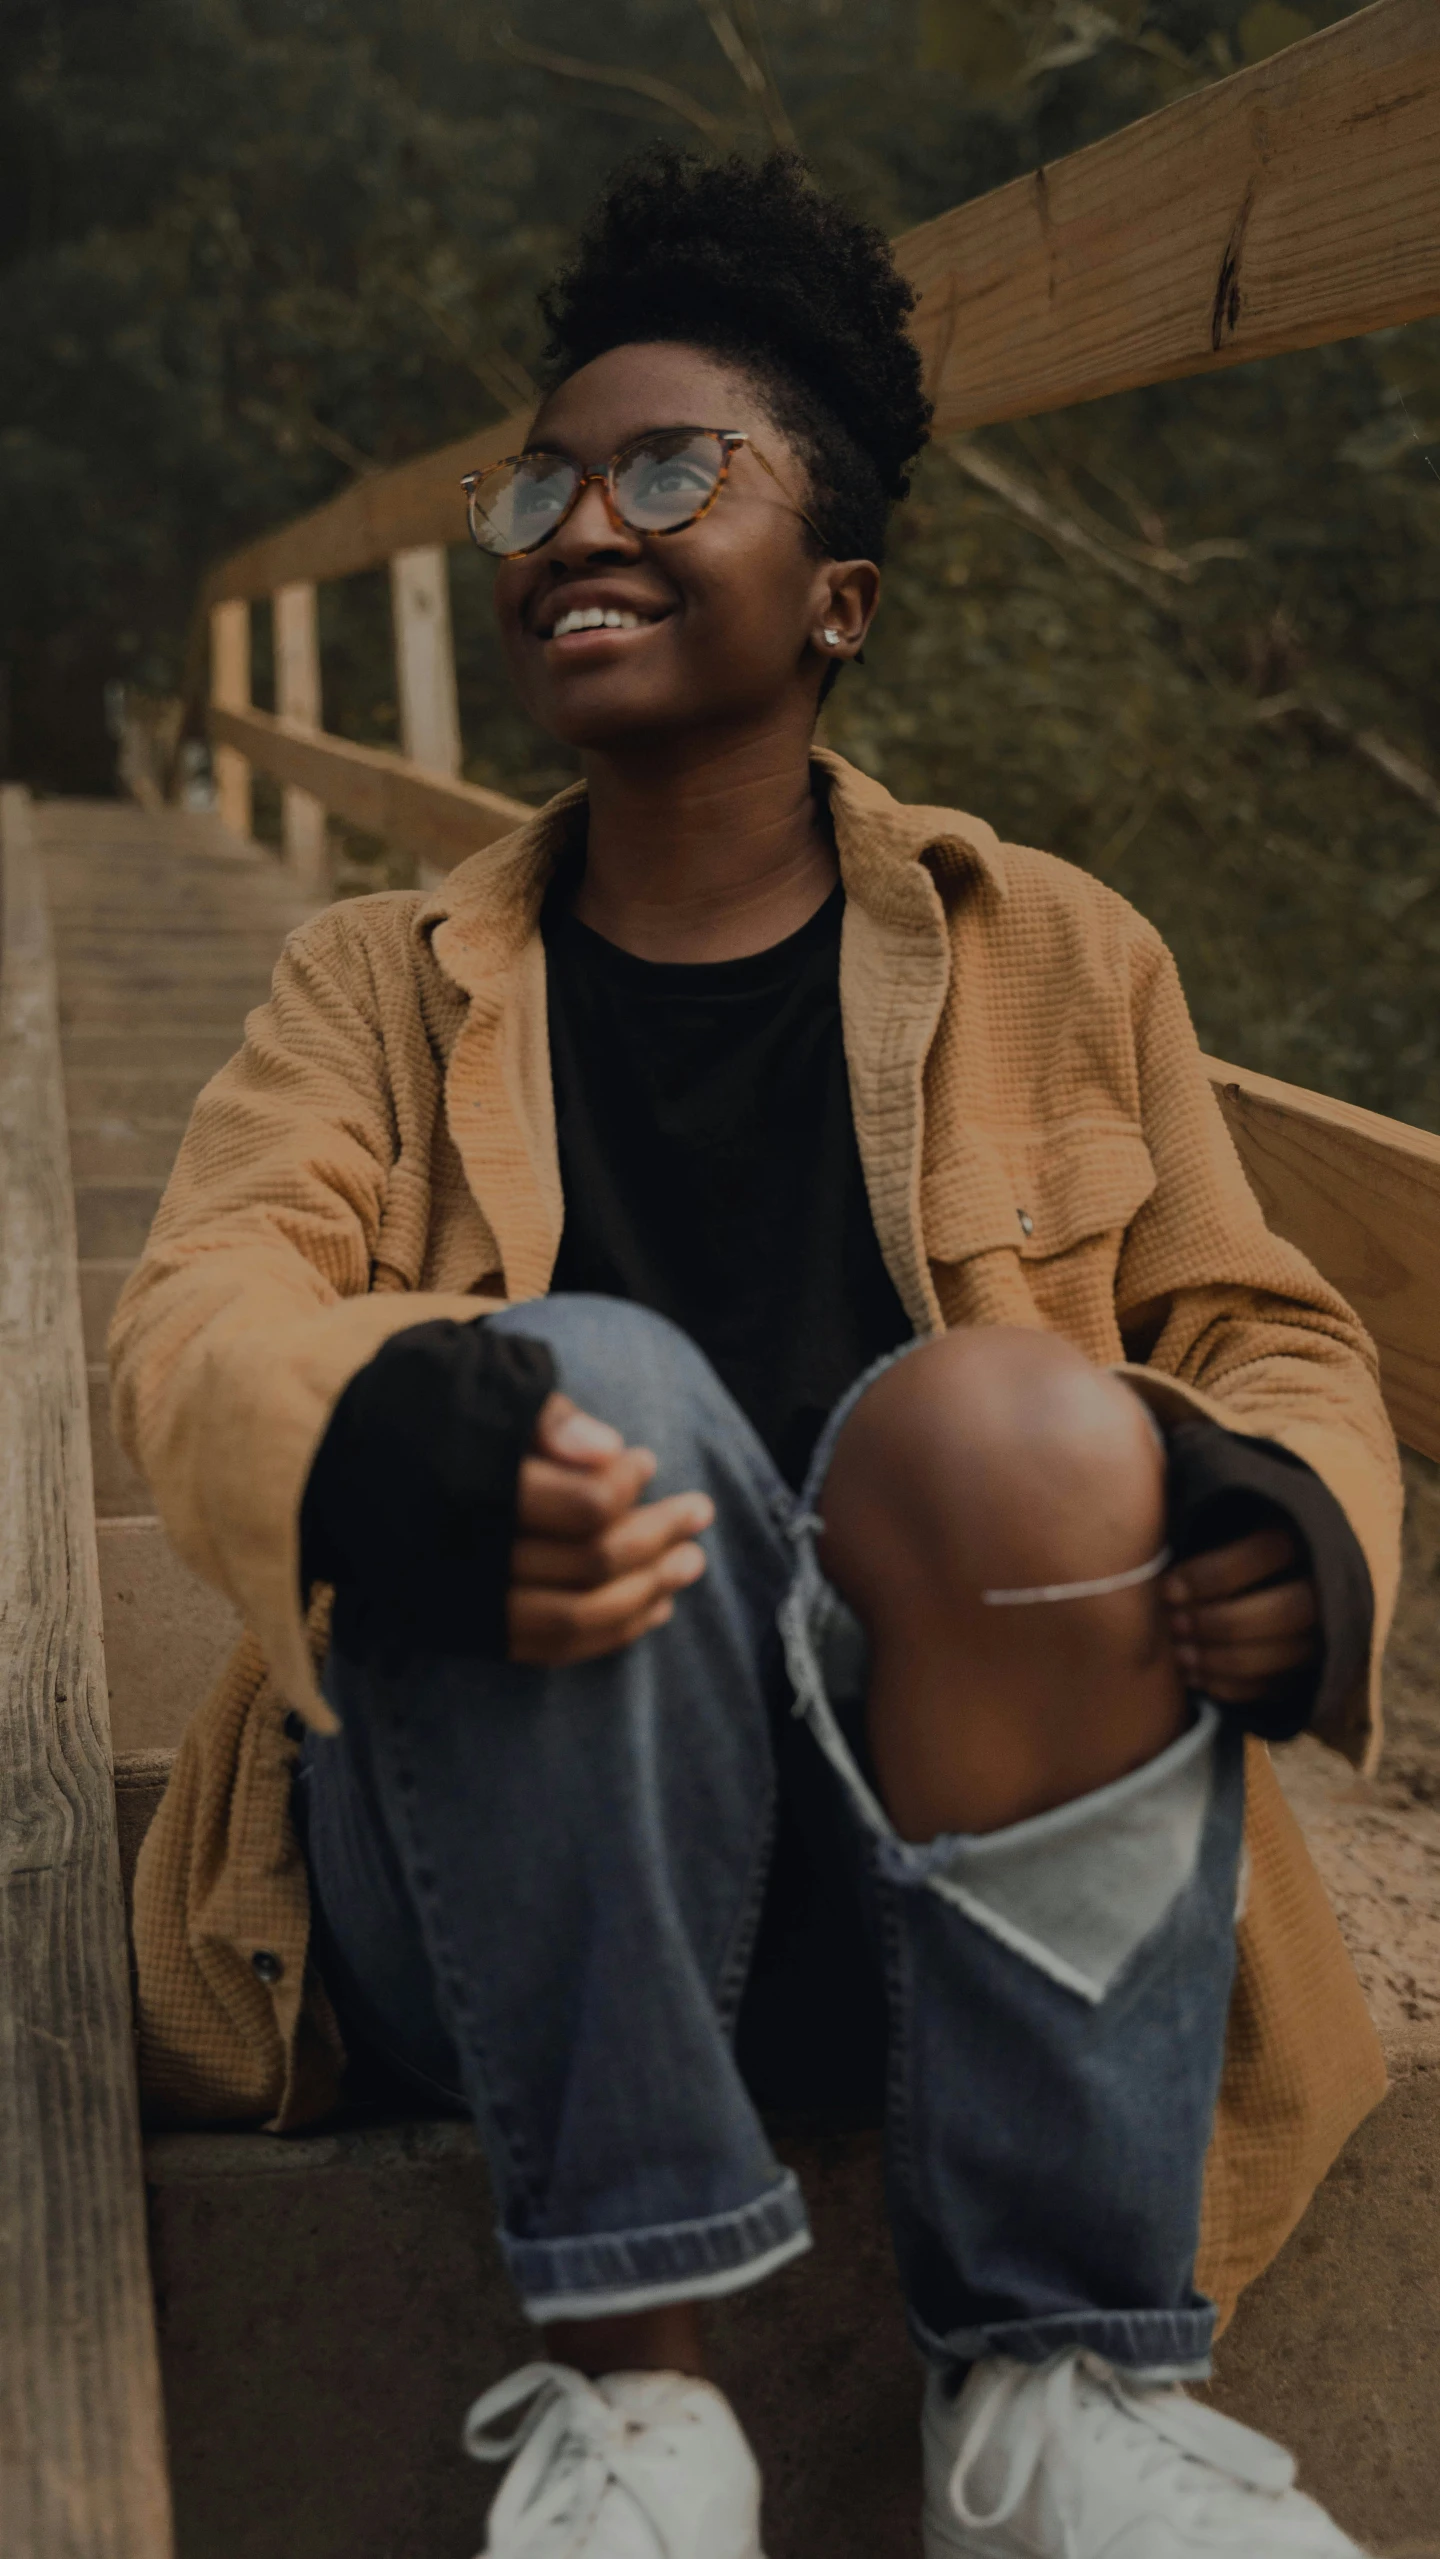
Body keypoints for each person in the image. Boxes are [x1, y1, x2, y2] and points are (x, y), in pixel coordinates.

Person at [116, 150, 1401, 2558]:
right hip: (520, 1908)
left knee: (1026, 1418)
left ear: (840, 599)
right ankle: (640, 2406)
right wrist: (387, 1436)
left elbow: (1263, 1323)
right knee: (567, 1381)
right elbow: (199, 1320)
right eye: (543, 479)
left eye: (673, 467)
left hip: (962, 1899)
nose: (579, 519)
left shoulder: (1054, 949)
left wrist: (1286, 1518)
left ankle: (1047, 2399)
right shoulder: (369, 988)